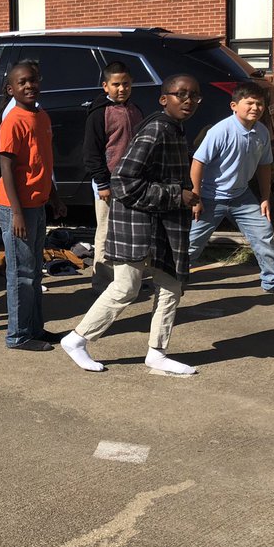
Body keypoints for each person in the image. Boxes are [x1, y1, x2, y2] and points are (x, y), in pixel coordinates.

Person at [59, 75, 203, 375]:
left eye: (194, 96)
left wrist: (186, 195)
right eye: (181, 94)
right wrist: (177, 195)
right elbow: (123, 181)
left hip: (161, 222)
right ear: (164, 99)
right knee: (126, 287)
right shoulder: (156, 130)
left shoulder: (174, 128)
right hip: (136, 222)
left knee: (172, 285)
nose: (188, 101)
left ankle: (157, 353)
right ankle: (76, 339)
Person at [189, 80, 274, 299]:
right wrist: (196, 197)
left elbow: (264, 165)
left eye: (259, 104)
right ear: (234, 106)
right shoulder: (220, 131)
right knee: (192, 243)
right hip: (211, 196)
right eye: (249, 103)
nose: (255, 108)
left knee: (264, 234)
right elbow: (198, 162)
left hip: (241, 196)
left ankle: (272, 281)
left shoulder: (261, 132)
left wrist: (265, 197)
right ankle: (171, 279)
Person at [0, 62, 66, 351]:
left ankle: (35, 328)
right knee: (21, 274)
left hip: (36, 205)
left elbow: (44, 164)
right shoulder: (13, 120)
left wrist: (55, 197)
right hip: (17, 208)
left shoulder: (42, 116)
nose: (29, 86)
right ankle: (18, 335)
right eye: (22, 83)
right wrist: (17, 212)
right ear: (11, 89)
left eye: (33, 80)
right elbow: (7, 168)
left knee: (35, 272)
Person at [83, 59, 143, 291]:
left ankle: (127, 280)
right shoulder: (100, 113)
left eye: (126, 84)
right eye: (116, 84)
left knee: (130, 232)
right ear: (105, 86)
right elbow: (91, 151)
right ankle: (102, 282)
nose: (122, 89)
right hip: (108, 182)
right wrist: (102, 182)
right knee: (106, 232)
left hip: (134, 182)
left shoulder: (135, 109)